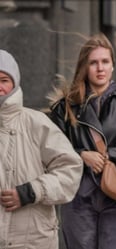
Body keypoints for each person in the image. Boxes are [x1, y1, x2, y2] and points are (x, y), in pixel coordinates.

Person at [49, 33, 116, 249]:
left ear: (113, 66)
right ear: (84, 66)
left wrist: (110, 155)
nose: (100, 68)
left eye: (105, 62)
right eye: (93, 62)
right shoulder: (65, 108)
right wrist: (82, 155)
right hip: (78, 198)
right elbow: (52, 153)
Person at [0, 49, 83, 248]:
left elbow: (70, 170)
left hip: (31, 240)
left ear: (15, 82)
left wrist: (32, 191)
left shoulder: (35, 123)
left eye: (4, 80)